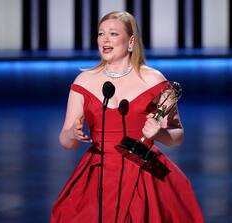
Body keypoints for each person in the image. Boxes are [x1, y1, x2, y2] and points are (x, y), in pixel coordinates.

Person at [51, 11, 204, 223]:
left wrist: (158, 133)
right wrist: (71, 133)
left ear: (130, 41)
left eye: (113, 34)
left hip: (144, 173)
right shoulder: (83, 82)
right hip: (100, 176)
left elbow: (177, 136)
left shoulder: (153, 80)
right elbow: (66, 142)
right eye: (101, 34)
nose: (105, 39)